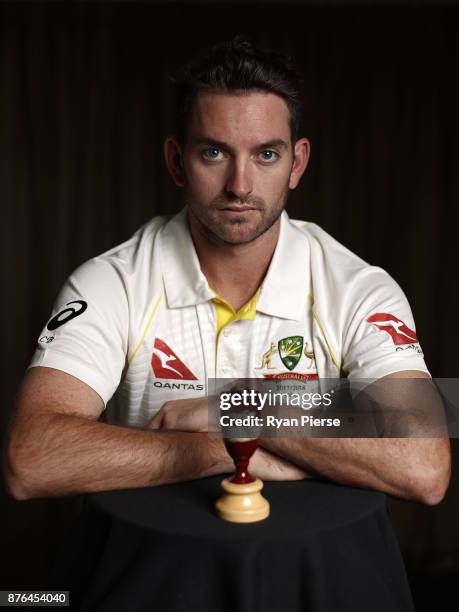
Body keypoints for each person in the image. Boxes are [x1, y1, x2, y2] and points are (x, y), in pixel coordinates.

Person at [4, 38, 450, 504]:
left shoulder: (361, 289)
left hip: (310, 568)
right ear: (177, 161)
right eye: (214, 153)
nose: (240, 185)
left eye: (266, 155)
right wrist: (223, 450)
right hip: (152, 568)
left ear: (297, 163)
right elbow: (30, 458)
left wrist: (236, 410)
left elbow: (425, 466)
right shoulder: (110, 281)